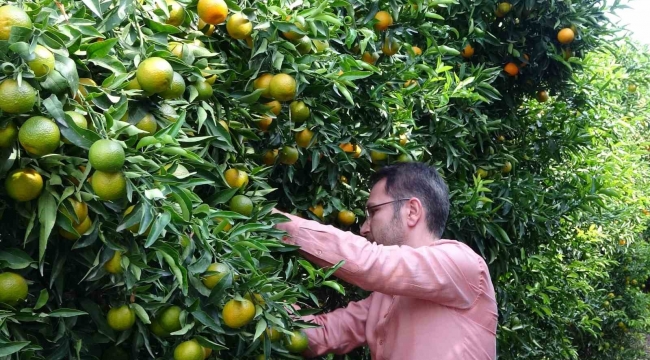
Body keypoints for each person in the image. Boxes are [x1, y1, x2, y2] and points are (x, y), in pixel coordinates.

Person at [273, 162, 497, 359]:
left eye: (373, 212)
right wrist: (266, 298)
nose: (364, 228)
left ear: (412, 211)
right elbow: (319, 337)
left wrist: (273, 222)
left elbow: (370, 262)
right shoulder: (382, 302)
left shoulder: (462, 264)